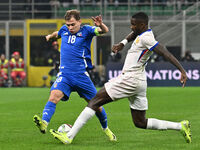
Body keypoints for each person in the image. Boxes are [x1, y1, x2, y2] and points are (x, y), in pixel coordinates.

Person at [49, 12, 192, 144]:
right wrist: (122, 43)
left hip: (130, 78)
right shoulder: (143, 32)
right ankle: (180, 126)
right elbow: (132, 34)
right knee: (140, 122)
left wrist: (182, 70)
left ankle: (69, 136)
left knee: (94, 101)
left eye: (133, 24)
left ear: (142, 25)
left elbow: (165, 53)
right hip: (140, 82)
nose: (131, 26)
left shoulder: (147, 38)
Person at [33, 9, 116, 142]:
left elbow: (104, 31)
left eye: (73, 24)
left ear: (79, 21)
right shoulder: (64, 30)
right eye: (68, 25)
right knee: (53, 96)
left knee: (97, 105)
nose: (70, 27)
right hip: (65, 75)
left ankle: (106, 129)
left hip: (81, 76)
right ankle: (44, 123)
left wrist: (100, 24)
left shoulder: (87, 30)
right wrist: (50, 36)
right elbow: (57, 33)